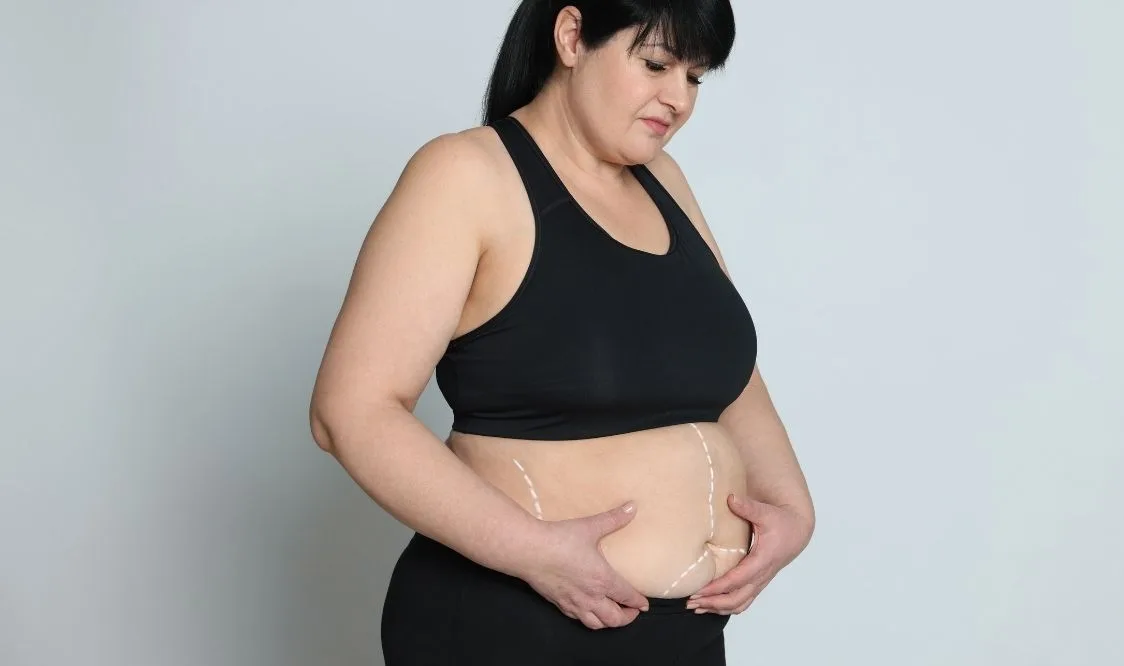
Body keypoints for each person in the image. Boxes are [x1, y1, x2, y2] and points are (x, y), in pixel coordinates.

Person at [308, 1, 815, 663]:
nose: (677, 99)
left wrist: (790, 506)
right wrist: (534, 553)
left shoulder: (662, 181)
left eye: (694, 78)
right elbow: (350, 411)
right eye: (656, 64)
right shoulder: (467, 175)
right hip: (515, 626)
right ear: (572, 36)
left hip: (683, 634)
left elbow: (721, 368)